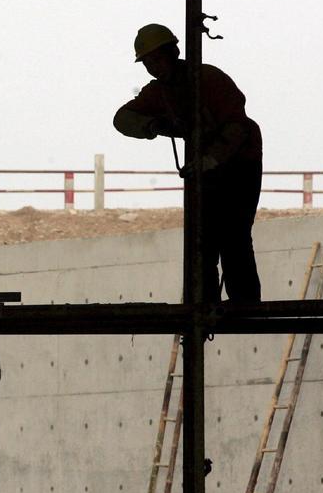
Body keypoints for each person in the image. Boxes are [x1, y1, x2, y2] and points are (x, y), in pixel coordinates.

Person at [113, 23, 263, 302]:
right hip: (205, 169)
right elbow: (122, 118)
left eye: (157, 59)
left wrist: (212, 159)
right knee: (201, 238)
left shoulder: (208, 79)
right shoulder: (159, 93)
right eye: (147, 63)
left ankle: (244, 302)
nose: (153, 67)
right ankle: (203, 301)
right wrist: (153, 124)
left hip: (239, 164)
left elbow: (237, 127)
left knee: (234, 233)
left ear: (174, 52)